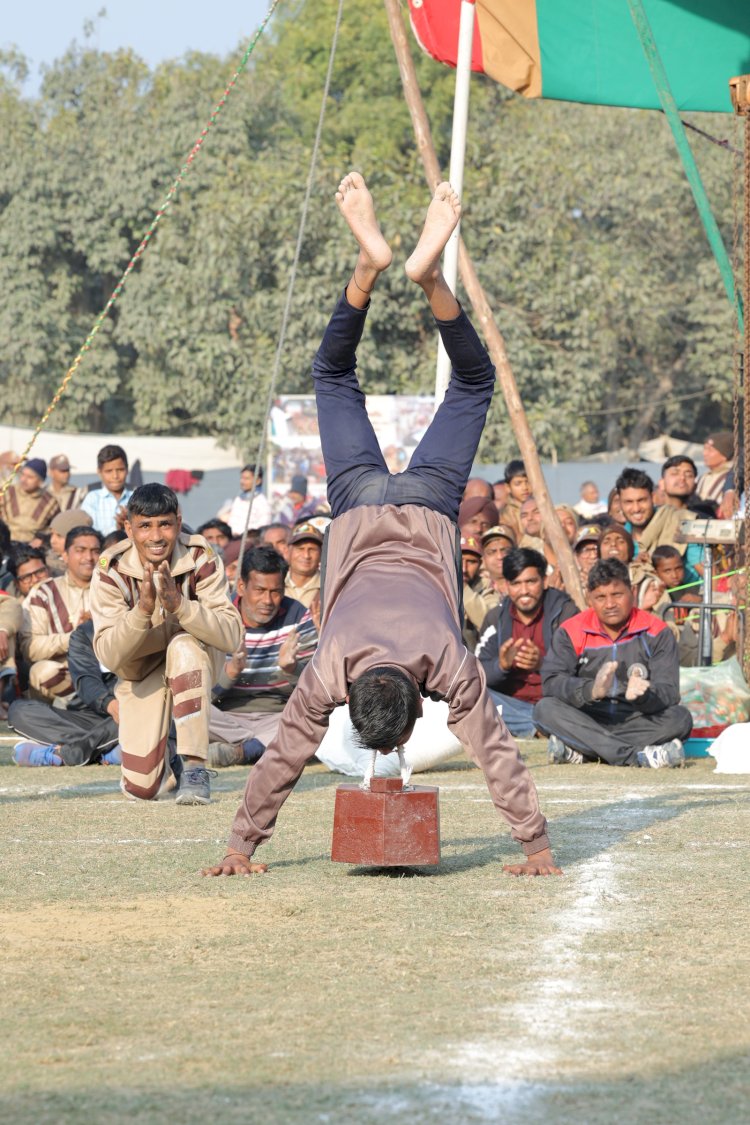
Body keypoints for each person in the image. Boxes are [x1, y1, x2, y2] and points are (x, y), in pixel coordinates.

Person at [204, 173, 560, 878]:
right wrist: (237, 842)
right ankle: (370, 267)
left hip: (428, 502)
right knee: (332, 376)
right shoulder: (333, 659)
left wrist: (536, 845)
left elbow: (493, 749)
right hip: (360, 498)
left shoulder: (442, 660)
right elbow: (289, 751)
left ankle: (426, 278)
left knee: (472, 384)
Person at [90, 483, 243, 804]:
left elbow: (232, 635)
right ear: (128, 528)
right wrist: (142, 612)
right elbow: (107, 653)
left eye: (165, 524)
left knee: (183, 647)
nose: (156, 536)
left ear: (179, 520)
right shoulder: (110, 568)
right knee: (143, 788)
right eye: (145, 526)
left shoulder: (200, 555)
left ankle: (195, 768)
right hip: (140, 671)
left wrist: (181, 607)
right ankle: (170, 757)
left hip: (195, 660)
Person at [533, 558, 692, 767]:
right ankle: (636, 757)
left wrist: (644, 696)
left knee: (681, 718)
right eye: (600, 597)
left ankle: (586, 751)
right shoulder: (571, 630)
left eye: (617, 595)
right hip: (588, 718)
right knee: (544, 709)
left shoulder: (657, 631)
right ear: (590, 599)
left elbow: (670, 692)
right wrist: (591, 690)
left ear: (632, 593)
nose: (609, 604)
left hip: (637, 719)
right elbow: (552, 683)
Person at [208, 545, 318, 767]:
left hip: (278, 716)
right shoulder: (219, 617)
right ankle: (266, 747)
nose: (268, 601)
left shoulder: (298, 615)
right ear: (241, 586)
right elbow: (204, 693)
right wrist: (230, 673)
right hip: (226, 716)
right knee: (185, 708)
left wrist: (291, 669)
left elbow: (314, 690)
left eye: (275, 592)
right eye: (259, 590)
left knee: (319, 717)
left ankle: (246, 751)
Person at [476, 548, 577, 738]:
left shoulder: (566, 614)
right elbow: (477, 672)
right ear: (506, 585)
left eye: (531, 582)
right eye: (516, 583)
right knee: (471, 693)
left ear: (544, 581)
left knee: (557, 706)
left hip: (554, 703)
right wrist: (502, 665)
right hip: (512, 705)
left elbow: (577, 671)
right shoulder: (496, 618)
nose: (524, 591)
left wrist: (543, 664)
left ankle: (540, 724)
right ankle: (537, 728)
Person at [9, 619, 122, 767]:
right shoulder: (85, 633)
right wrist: (110, 705)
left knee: (144, 713)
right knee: (19, 711)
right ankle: (107, 751)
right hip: (100, 714)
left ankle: (72, 753)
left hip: (132, 711)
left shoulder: (150, 628)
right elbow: (87, 682)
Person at [19, 525, 103, 705]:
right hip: (66, 676)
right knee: (41, 672)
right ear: (65, 555)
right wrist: (76, 636)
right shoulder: (44, 593)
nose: (89, 558)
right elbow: (30, 648)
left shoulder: (113, 589)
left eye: (95, 551)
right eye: (80, 551)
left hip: (105, 672)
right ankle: (95, 704)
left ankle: (98, 702)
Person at [0, 458, 60, 543]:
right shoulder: (7, 492)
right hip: (6, 545)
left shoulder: (50, 502)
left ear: (40, 481)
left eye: (30, 477)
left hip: (32, 550)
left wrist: (43, 540)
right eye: (23, 475)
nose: (24, 480)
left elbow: (56, 529)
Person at [81, 445, 133, 535]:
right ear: (99, 472)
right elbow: (88, 534)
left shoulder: (135, 497)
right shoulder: (92, 499)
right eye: (109, 471)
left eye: (120, 470)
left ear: (127, 469)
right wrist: (117, 528)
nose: (115, 476)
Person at [461, 534, 499, 652]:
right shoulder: (436, 581)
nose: (464, 569)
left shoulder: (486, 587)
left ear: (480, 564)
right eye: (459, 560)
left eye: (471, 562)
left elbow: (488, 623)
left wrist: (463, 589)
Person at [224, 465, 272, 536]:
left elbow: (263, 527)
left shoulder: (262, 502)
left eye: (246, 479)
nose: (242, 481)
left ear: (258, 481)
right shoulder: (238, 499)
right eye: (241, 478)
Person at [284, 522, 323, 608]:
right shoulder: (276, 584)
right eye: (300, 549)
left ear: (321, 554)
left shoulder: (329, 587)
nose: (306, 555)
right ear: (287, 552)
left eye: (312, 549)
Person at [46, 509, 94, 577]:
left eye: (59, 536)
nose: (52, 541)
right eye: (51, 534)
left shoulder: (95, 562)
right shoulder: (46, 561)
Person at [696, 432, 733, 505]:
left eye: (710, 450)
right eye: (705, 449)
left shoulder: (732, 478)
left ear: (724, 455)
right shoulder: (704, 477)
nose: (704, 453)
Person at [481, 524, 516, 595]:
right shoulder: (477, 589)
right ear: (483, 559)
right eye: (492, 552)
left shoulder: (526, 583)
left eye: (505, 551)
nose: (500, 556)